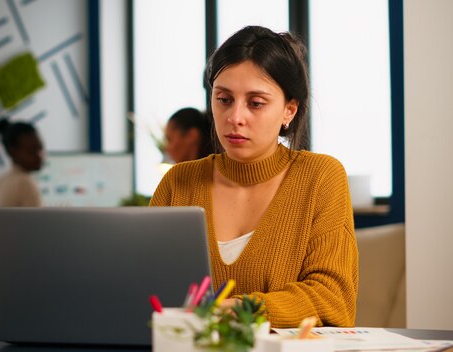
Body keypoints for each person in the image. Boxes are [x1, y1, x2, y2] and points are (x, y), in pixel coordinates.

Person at [149, 26, 358, 328]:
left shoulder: (320, 177)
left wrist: (240, 309)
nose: (235, 117)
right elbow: (144, 286)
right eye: (224, 99)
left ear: (289, 110)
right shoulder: (178, 181)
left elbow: (332, 299)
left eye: (255, 103)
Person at [0, 117, 44, 207]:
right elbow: (40, 221)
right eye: (31, 151)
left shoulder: (0, 182)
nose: (39, 156)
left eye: (40, 148)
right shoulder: (25, 183)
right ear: (12, 152)